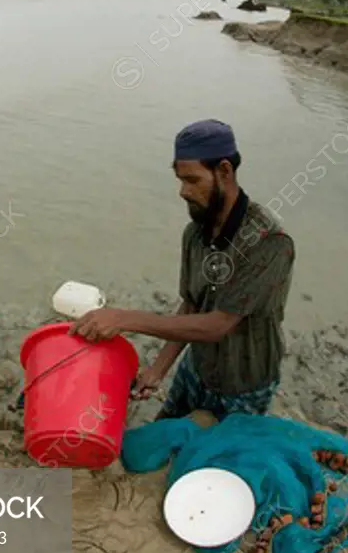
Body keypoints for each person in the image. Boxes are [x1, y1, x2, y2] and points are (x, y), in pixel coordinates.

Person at [69, 119, 295, 421]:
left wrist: (124, 318)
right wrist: (158, 369)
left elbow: (218, 325)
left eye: (192, 180)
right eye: (179, 179)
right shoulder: (195, 233)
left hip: (244, 385)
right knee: (166, 427)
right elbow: (191, 303)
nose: (182, 191)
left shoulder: (268, 243)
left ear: (224, 171)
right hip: (197, 366)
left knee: (211, 462)